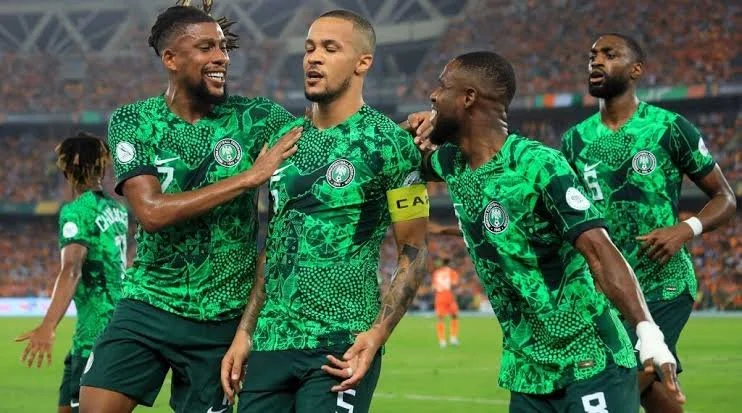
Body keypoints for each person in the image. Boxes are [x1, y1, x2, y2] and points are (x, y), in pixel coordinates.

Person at [421, 50, 682, 412]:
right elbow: (401, 153)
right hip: (528, 372)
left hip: (588, 361)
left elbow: (599, 250)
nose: (433, 96)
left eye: (442, 87)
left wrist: (647, 331)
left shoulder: (538, 165)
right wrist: (414, 126)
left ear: (468, 98)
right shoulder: (452, 163)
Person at [77, 3, 302, 413]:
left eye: (222, 47)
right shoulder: (135, 120)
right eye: (206, 48)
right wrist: (249, 177)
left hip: (222, 319)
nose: (222, 57)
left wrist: (406, 132)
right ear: (171, 59)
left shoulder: (257, 118)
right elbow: (151, 212)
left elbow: (332, 144)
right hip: (148, 304)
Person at [220, 10, 430, 413]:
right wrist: (245, 332)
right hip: (271, 341)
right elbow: (275, 246)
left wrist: (377, 334)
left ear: (362, 62)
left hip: (341, 343)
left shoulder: (391, 145)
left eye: (330, 49)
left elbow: (414, 252)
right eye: (309, 48)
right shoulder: (285, 142)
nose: (313, 58)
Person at [561, 33, 736, 413]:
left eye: (609, 54)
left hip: (663, 281)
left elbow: (725, 197)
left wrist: (685, 229)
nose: (596, 61)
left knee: (619, 373)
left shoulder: (669, 127)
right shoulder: (574, 141)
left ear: (636, 69)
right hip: (610, 287)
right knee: (652, 386)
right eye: (592, 55)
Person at [15, 133, 128, 413]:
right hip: (107, 328)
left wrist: (47, 326)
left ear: (66, 170)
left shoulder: (77, 211)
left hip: (95, 336)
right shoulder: (118, 209)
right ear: (103, 168)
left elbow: (72, 269)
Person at [432, 258, 461, 347]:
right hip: (448, 295)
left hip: (439, 296)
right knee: (454, 315)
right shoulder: (451, 272)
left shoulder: (436, 273)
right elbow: (455, 283)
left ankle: (442, 341)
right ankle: (453, 338)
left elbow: (433, 287)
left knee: (440, 318)